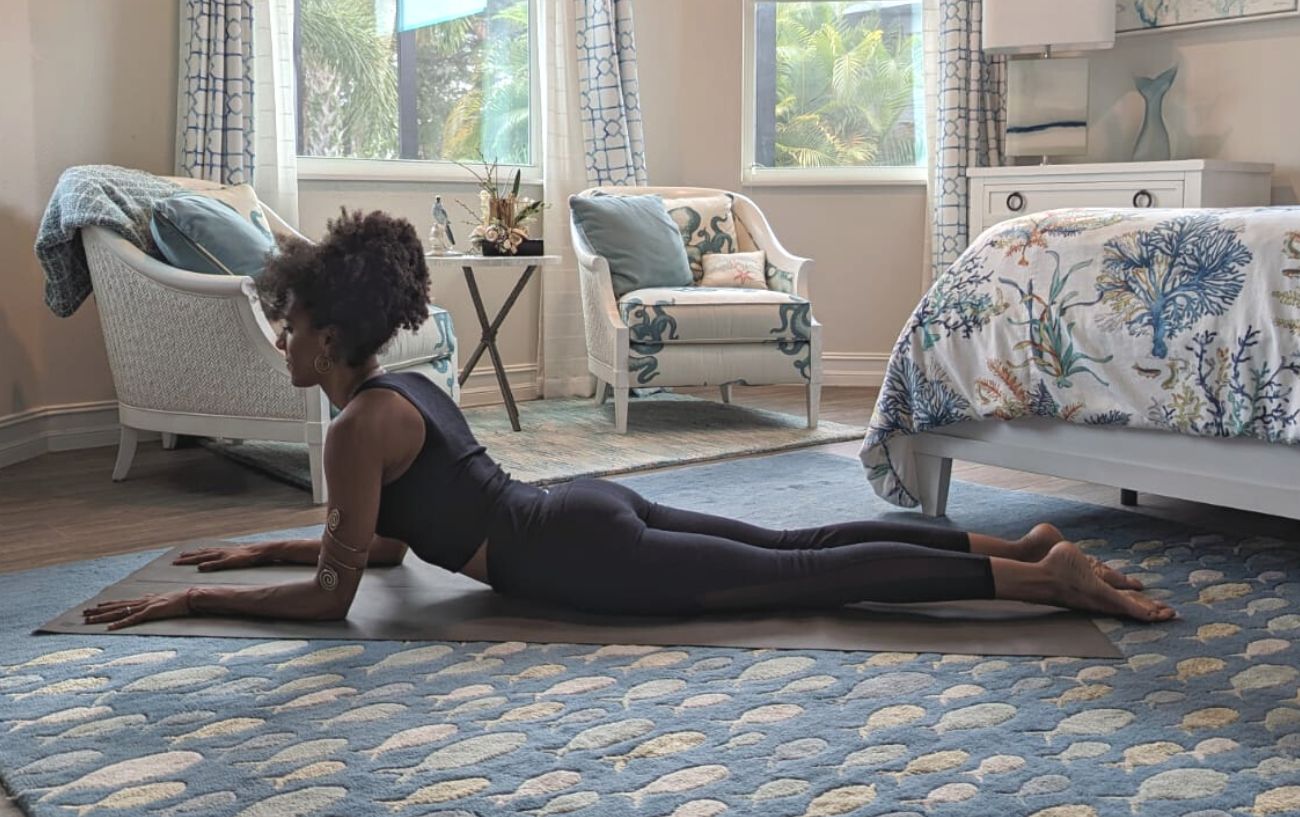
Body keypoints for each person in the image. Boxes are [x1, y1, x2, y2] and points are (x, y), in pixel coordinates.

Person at [82, 210, 1177, 631]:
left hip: (577, 557)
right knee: (798, 550)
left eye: (289, 326)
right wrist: (259, 543)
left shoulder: (349, 429)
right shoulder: (398, 391)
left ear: (327, 337)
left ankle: (1044, 582)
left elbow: (335, 594)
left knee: (811, 581)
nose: (280, 340)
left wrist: (195, 594)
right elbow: (372, 543)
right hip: (581, 507)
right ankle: (1023, 544)